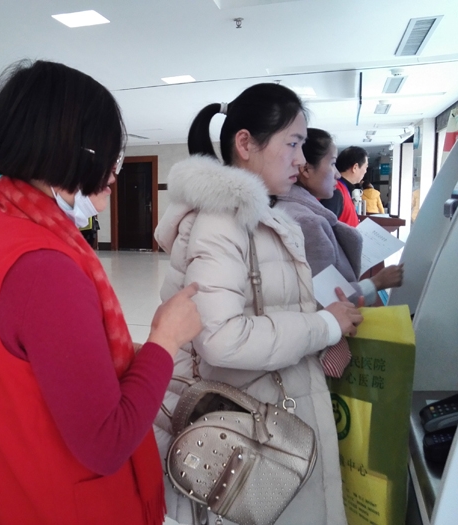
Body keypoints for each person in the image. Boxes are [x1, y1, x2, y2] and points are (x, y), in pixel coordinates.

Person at [0, 60, 203, 525]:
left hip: (8, 485)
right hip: (58, 504)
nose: (113, 174)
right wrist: (165, 340)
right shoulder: (46, 269)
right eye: (110, 157)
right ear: (70, 153)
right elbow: (105, 443)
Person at [153, 84, 363, 525]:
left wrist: (325, 318)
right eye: (292, 143)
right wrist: (323, 326)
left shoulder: (256, 218)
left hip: (271, 418)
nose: (301, 160)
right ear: (246, 143)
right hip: (256, 434)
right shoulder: (223, 221)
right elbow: (221, 338)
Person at [277, 128, 403, 307]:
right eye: (332, 164)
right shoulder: (308, 222)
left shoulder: (285, 209)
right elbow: (328, 299)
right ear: (305, 169)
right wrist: (377, 282)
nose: (337, 174)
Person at [320, 145, 369, 226]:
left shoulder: (343, 189)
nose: (365, 171)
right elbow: (324, 227)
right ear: (355, 167)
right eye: (365, 167)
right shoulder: (335, 192)